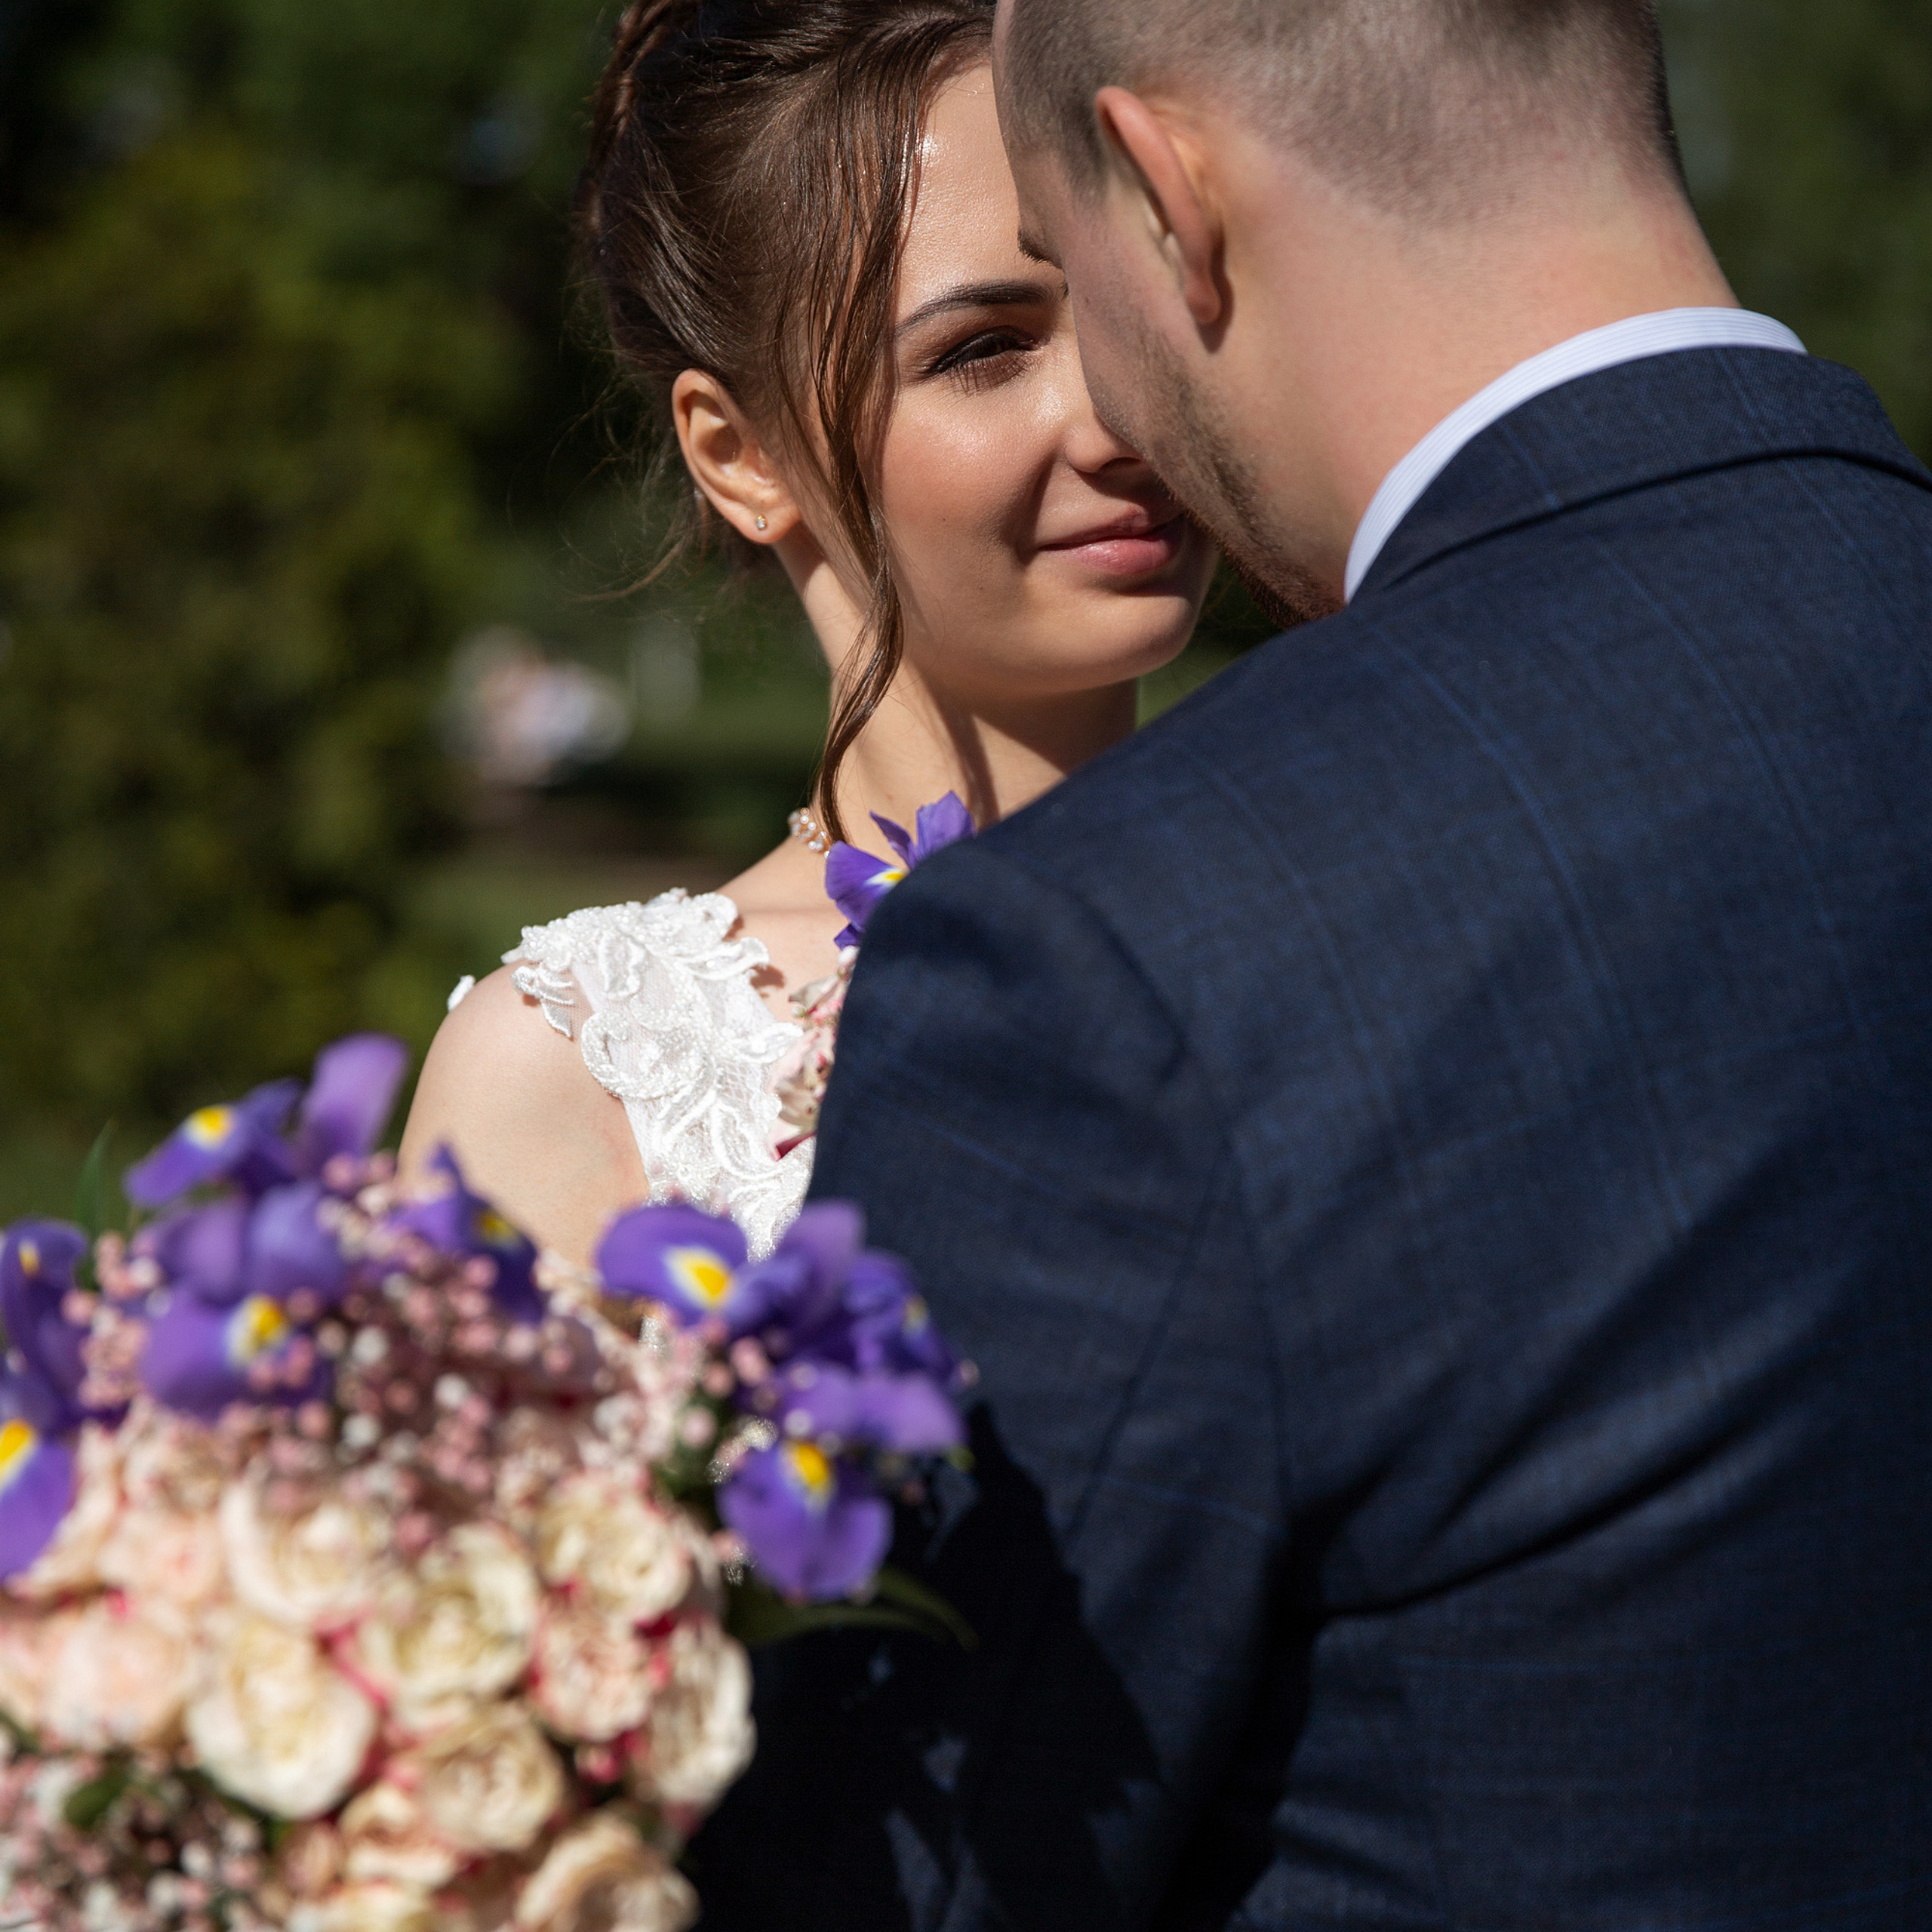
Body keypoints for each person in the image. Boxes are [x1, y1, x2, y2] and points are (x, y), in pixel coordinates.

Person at [701, 0, 1932, 1925]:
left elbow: (906, 1877)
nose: (1108, 416)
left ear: (1164, 199)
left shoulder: (1132, 956)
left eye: (1066, 272)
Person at [398, 0, 1214, 1260]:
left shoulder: (1371, 902)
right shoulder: (587, 1071)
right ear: (743, 455)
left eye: (1132, 306)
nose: (1121, 419)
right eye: (984, 349)